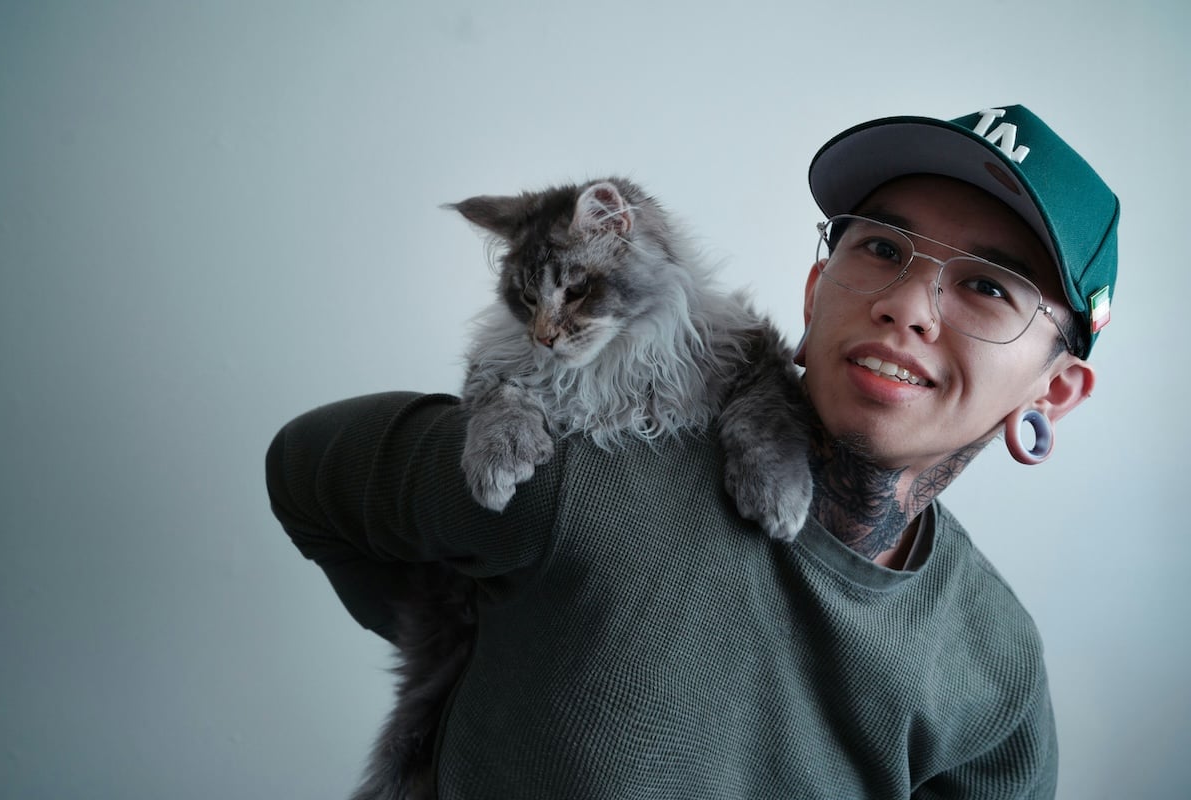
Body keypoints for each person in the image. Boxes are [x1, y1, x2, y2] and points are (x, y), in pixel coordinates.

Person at [266, 104, 1119, 798]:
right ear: (818, 291)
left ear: (1054, 391)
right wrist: (491, 635)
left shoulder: (995, 665)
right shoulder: (574, 477)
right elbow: (305, 474)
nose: (908, 305)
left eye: (985, 285)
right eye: (883, 250)